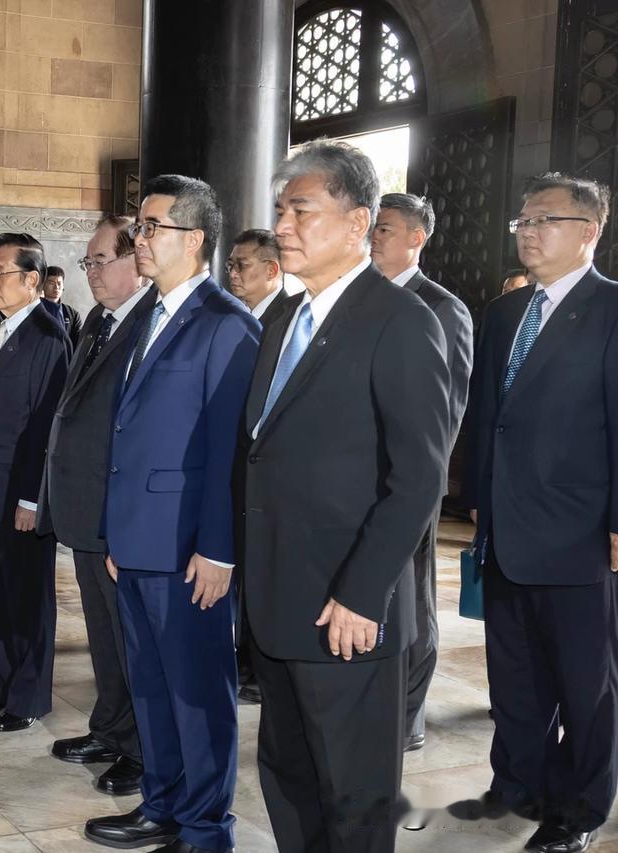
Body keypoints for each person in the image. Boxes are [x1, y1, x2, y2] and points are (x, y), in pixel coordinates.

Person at [242, 141, 449, 853]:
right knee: (290, 778)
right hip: (279, 595)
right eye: (280, 210)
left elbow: (418, 477)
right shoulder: (282, 319)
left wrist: (363, 593)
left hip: (347, 607)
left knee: (353, 797)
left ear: (358, 221)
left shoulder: (400, 320)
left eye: (301, 210)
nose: (282, 226)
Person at [83, 176, 258, 853]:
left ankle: (206, 828)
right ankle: (162, 805)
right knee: (152, 687)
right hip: (136, 540)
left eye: (153, 227)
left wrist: (218, 550)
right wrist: (114, 531)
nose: (140, 238)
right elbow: (127, 434)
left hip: (190, 548)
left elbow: (228, 453)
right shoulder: (149, 315)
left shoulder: (226, 324)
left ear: (195, 239)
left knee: (198, 695)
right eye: (140, 226)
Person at [464, 173, 618, 853]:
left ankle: (576, 810)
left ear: (589, 231)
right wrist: (477, 496)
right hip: (506, 527)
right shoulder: (504, 314)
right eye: (522, 221)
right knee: (515, 675)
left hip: (581, 533)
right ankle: (518, 780)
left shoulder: (611, 309)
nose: (527, 231)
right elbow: (487, 417)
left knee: (586, 687)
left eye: (544, 220)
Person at [40, 214, 153, 795]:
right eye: (87, 262)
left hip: (119, 514)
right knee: (104, 635)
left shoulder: (150, 325)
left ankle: (141, 748)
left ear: (138, 261)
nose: (91, 272)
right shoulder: (100, 321)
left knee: (133, 641)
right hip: (87, 510)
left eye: (100, 260)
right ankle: (109, 729)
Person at [370, 192, 474, 753]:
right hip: (361, 480)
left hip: (408, 480)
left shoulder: (441, 308)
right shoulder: (366, 298)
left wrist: (415, 480)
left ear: (417, 237)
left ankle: (409, 710)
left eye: (384, 228)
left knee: (413, 594)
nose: (374, 237)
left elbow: (446, 412)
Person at [0, 233, 68, 731]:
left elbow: (45, 425)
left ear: (31, 280)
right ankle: (3, 680)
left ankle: (29, 697)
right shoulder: (1, 328)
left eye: (0, 273)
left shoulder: (48, 336)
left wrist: (31, 497)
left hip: (18, 492)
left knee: (27, 600)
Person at [225, 227, 290, 706]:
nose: (232, 273)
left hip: (269, 476)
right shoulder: (238, 318)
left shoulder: (287, 319)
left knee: (263, 574)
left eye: (241, 265)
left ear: (272, 270)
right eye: (229, 264)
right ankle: (243, 655)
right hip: (236, 470)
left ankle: (259, 664)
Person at [41, 264, 83, 348]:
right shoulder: (35, 309)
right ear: (43, 285)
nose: (56, 287)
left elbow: (77, 343)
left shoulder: (73, 314)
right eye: (51, 283)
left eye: (59, 283)